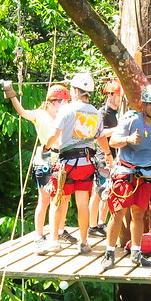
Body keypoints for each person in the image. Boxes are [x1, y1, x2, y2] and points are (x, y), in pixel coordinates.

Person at [39, 73, 104, 255]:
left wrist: (46, 147)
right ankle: (83, 242)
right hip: (86, 163)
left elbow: (54, 135)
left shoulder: (66, 110)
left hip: (67, 164)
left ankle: (53, 240)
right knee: (82, 203)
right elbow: (101, 138)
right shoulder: (96, 112)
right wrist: (107, 154)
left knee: (58, 201)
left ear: (75, 90)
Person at [100, 85, 151, 270]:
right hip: (125, 172)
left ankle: (136, 252)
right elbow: (112, 141)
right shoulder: (131, 119)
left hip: (144, 174)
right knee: (118, 212)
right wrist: (128, 139)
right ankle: (109, 252)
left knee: (139, 213)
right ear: (143, 105)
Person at [2, 81, 71, 250]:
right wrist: (11, 93)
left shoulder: (63, 116)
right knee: (46, 199)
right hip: (46, 161)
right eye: (65, 103)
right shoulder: (40, 114)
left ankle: (59, 230)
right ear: (57, 101)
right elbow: (23, 112)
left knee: (63, 198)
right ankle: (39, 235)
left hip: (61, 160)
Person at [89, 79, 122, 237]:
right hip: (103, 156)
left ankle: (101, 222)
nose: (117, 97)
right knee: (98, 192)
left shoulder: (118, 112)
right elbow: (98, 135)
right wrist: (118, 128)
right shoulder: (102, 113)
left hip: (115, 156)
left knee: (108, 192)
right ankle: (92, 225)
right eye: (116, 94)